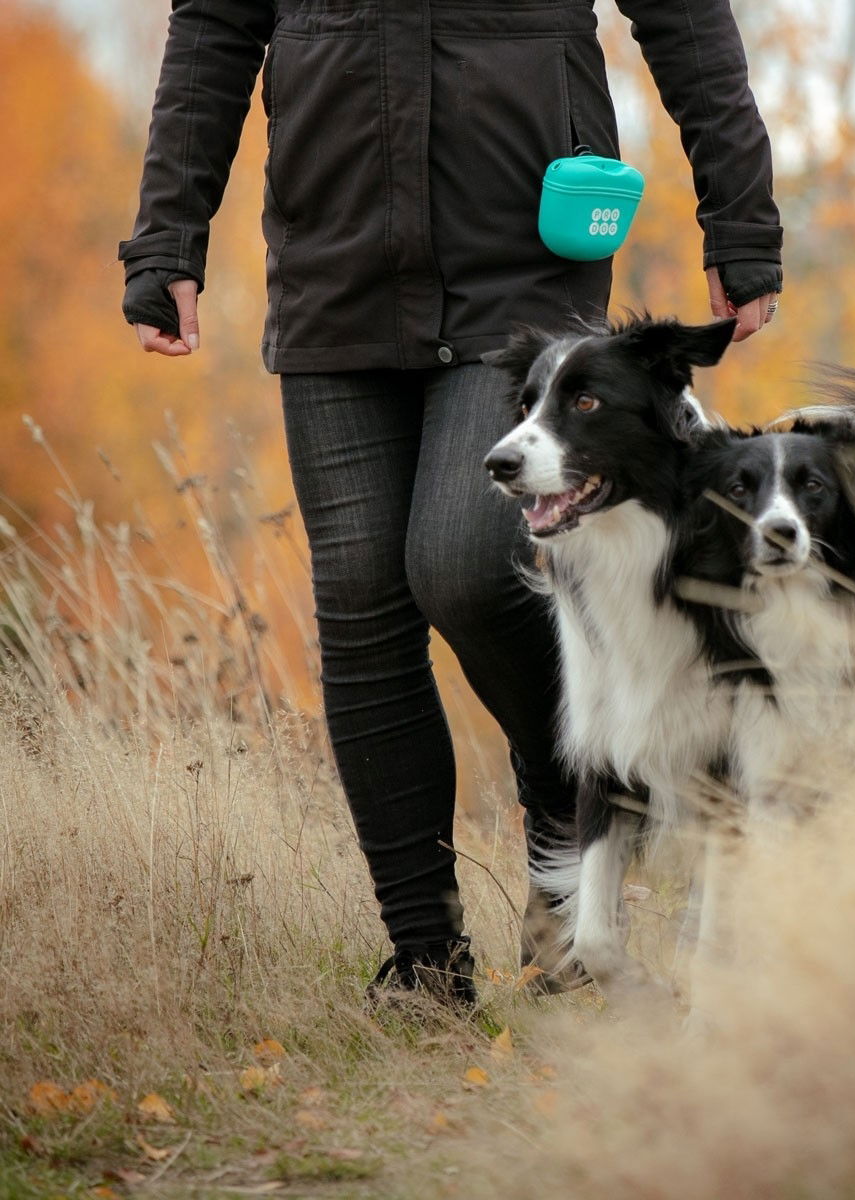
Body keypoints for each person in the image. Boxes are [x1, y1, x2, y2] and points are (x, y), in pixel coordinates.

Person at [119, 0, 783, 1008]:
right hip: (337, 253)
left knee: (467, 566)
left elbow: (685, 16)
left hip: (527, 251)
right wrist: (168, 235)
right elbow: (215, 22)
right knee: (361, 604)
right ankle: (424, 961)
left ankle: (569, 808)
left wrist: (739, 218)